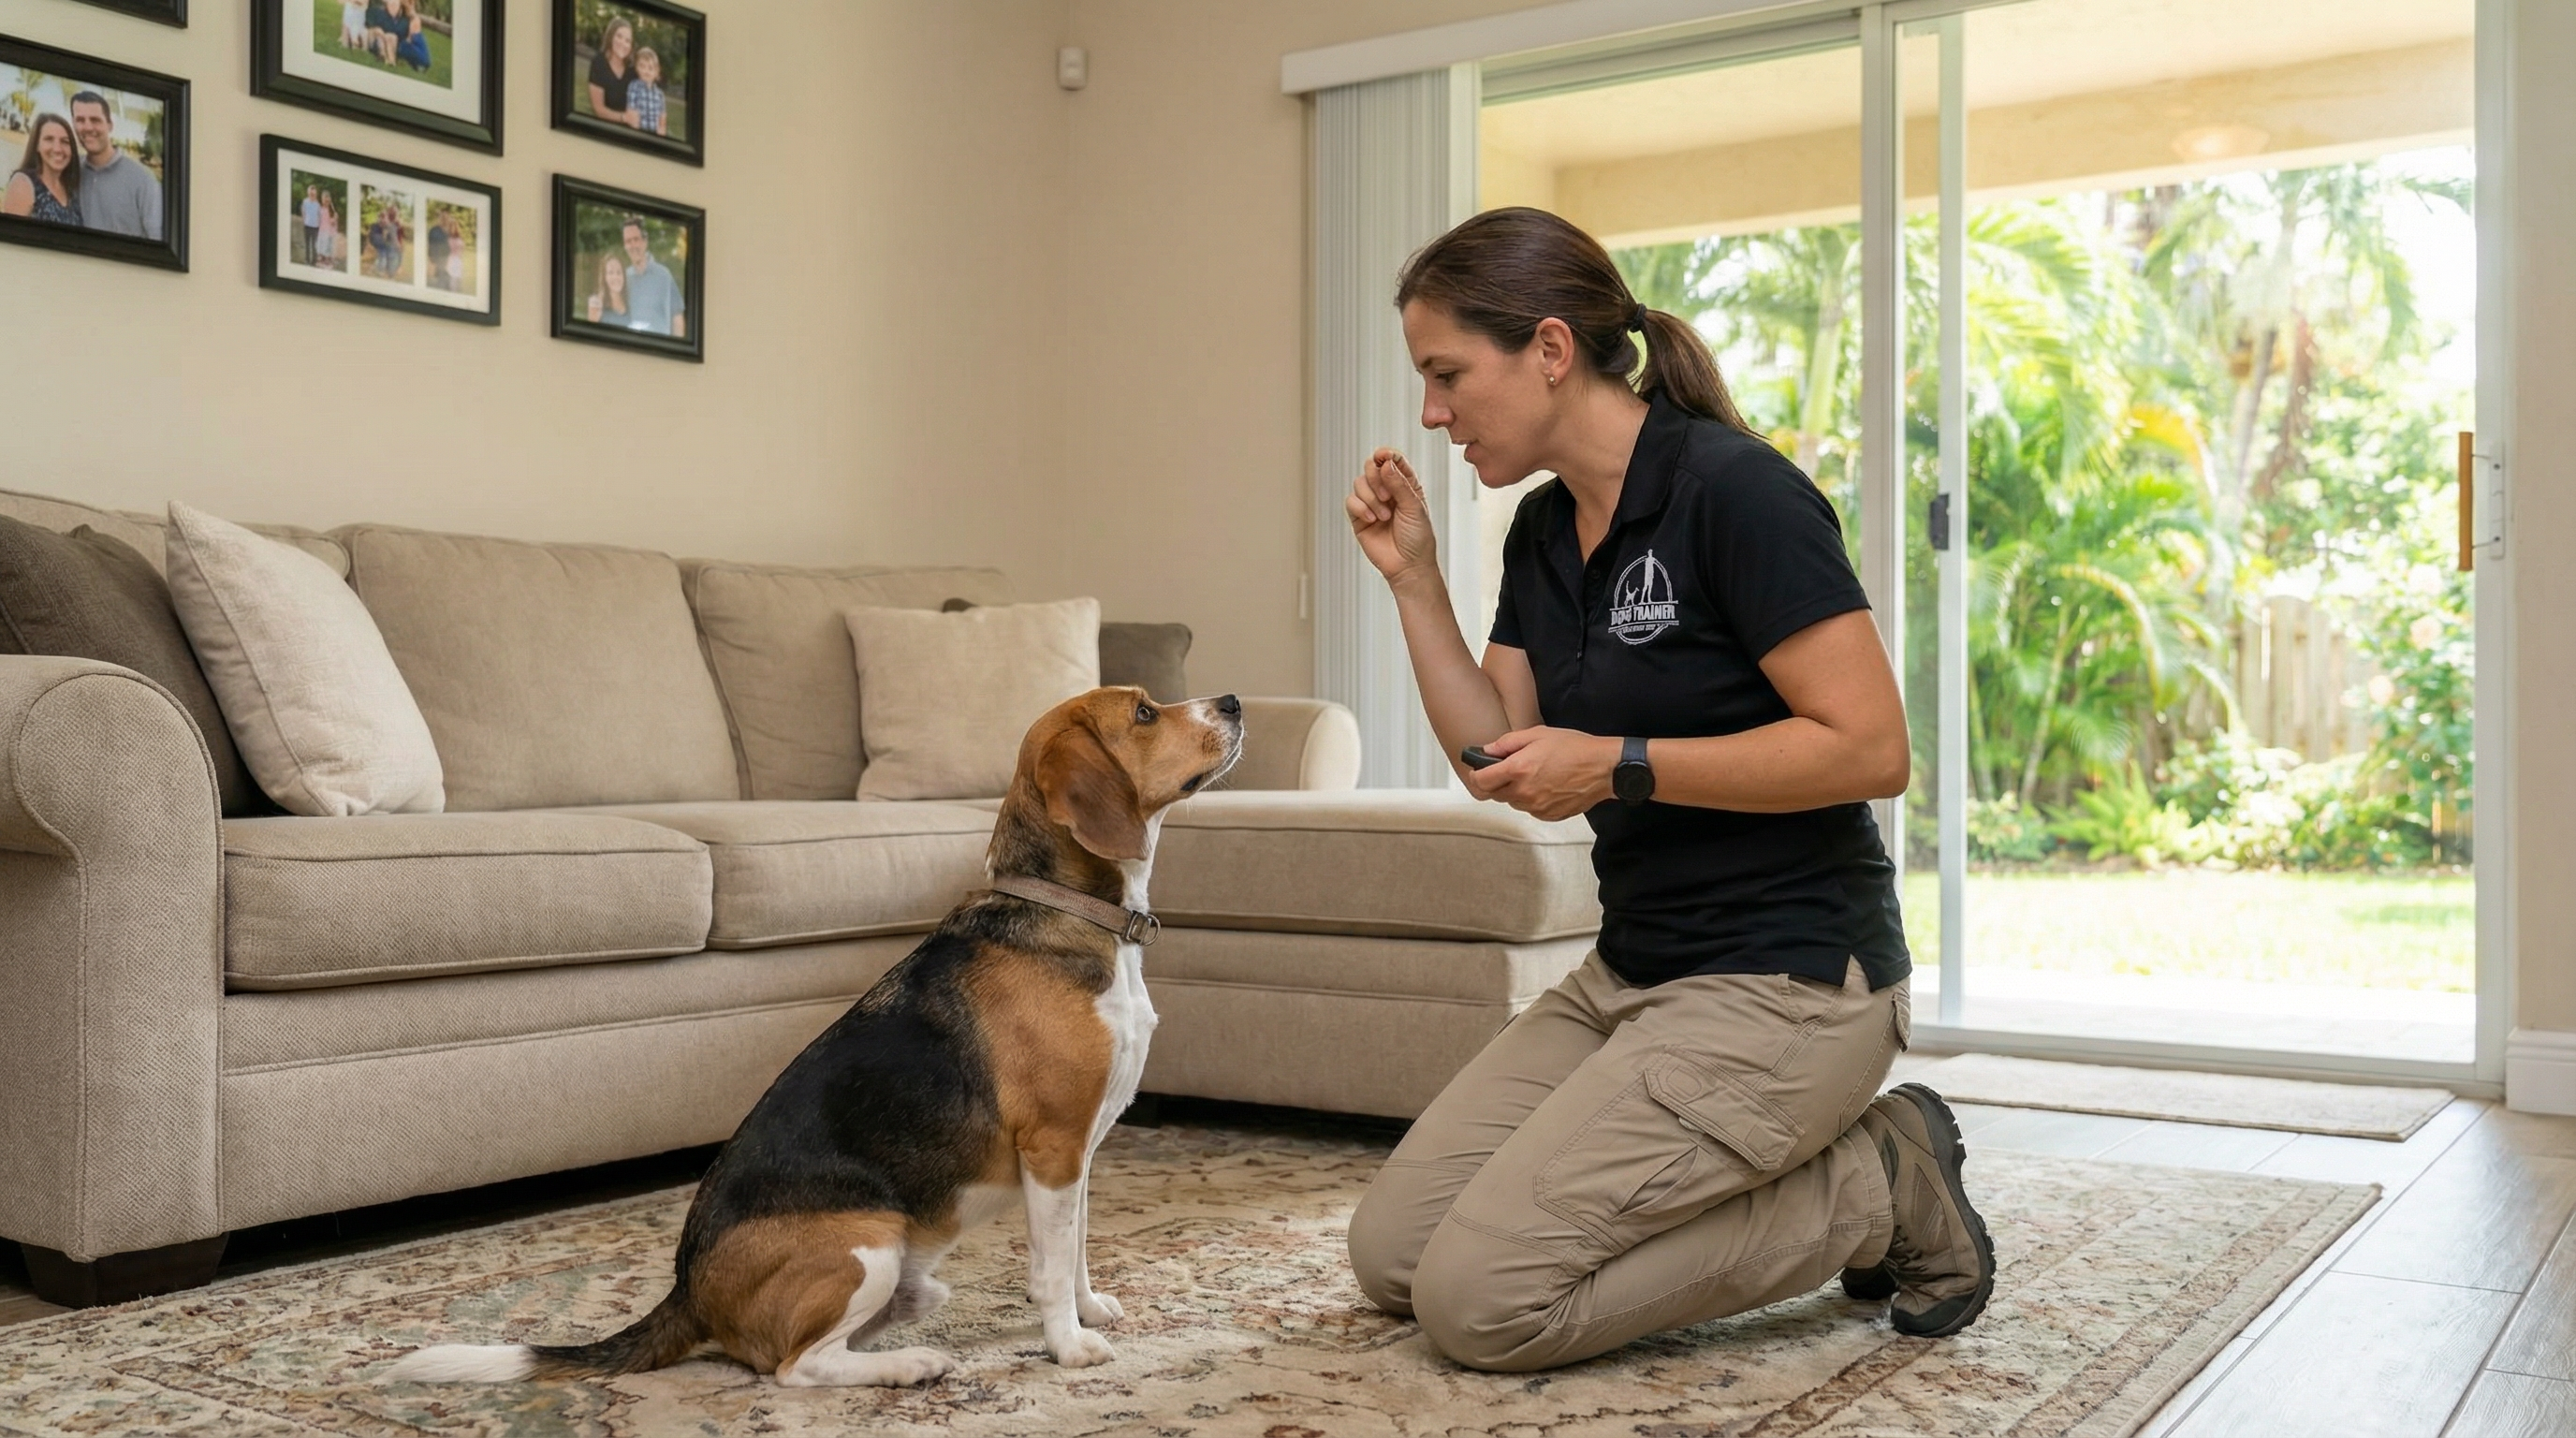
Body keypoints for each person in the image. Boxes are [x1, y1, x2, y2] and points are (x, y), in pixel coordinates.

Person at [1339, 206, 1996, 1373]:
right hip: (1631, 974)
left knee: (1481, 1306)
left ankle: (1878, 1180)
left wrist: (1623, 760)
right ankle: (1768, 1165)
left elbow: (1870, 749)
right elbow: (1496, 760)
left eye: (1447, 375)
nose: (1433, 412)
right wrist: (1415, 585)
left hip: (1789, 982)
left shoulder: (1736, 494)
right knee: (1393, 1259)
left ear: (1549, 350)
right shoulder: (1542, 530)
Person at [69, 92, 160, 241]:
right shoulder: (70, 172)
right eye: (80, 120)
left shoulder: (143, 180)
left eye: (95, 120)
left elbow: (160, 240)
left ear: (110, 125)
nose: (87, 127)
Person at [3, 113, 82, 227]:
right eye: (49, 139)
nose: (57, 149)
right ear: (37, 145)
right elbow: (10, 236)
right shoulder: (24, 183)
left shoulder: (72, 190)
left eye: (65, 141)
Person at [617, 215, 684, 338]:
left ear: (645, 242)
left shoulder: (664, 275)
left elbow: (677, 318)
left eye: (636, 239)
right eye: (628, 241)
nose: (632, 246)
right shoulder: (623, 278)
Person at [586, 18, 637, 126]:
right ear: (610, 37)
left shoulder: (633, 71)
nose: (623, 43)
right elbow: (598, 109)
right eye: (619, 36)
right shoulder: (599, 63)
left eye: (628, 41)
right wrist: (624, 118)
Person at [584, 249, 636, 328]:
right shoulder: (597, 303)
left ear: (624, 276)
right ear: (605, 277)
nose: (616, 277)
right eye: (611, 272)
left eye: (619, 272)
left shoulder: (630, 301)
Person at [627, 47, 667, 136]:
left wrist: (661, 134)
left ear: (656, 72)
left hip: (655, 135)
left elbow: (662, 119)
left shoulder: (660, 94)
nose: (646, 71)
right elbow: (632, 113)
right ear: (637, 68)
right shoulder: (634, 87)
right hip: (639, 132)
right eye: (642, 66)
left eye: (650, 68)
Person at [393, 0, 432, 72]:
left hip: (413, 44)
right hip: (413, 44)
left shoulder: (413, 19)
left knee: (404, 45)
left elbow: (409, 39)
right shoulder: (402, 15)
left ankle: (419, 63)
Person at [424, 209, 451, 290]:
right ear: (440, 218)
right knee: (439, 276)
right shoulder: (434, 230)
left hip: (446, 258)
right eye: (443, 217)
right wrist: (431, 258)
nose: (444, 219)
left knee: (443, 275)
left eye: (446, 217)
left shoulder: (450, 230)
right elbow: (430, 244)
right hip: (437, 257)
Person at [298, 183, 321, 266]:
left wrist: (319, 225)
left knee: (314, 245)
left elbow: (319, 216)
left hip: (315, 227)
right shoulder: (305, 201)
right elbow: (303, 211)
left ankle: (314, 261)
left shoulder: (318, 204)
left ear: (316, 194)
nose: (312, 195)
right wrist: (304, 220)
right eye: (311, 193)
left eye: (314, 194)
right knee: (307, 244)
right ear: (308, 193)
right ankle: (307, 260)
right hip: (307, 226)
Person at [316, 192, 341, 269]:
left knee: (329, 246)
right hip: (322, 231)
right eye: (324, 198)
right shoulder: (321, 209)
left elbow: (333, 223)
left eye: (328, 198)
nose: (326, 200)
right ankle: (322, 259)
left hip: (330, 232)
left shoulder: (332, 211)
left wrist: (335, 218)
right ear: (322, 200)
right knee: (322, 246)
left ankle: (328, 261)